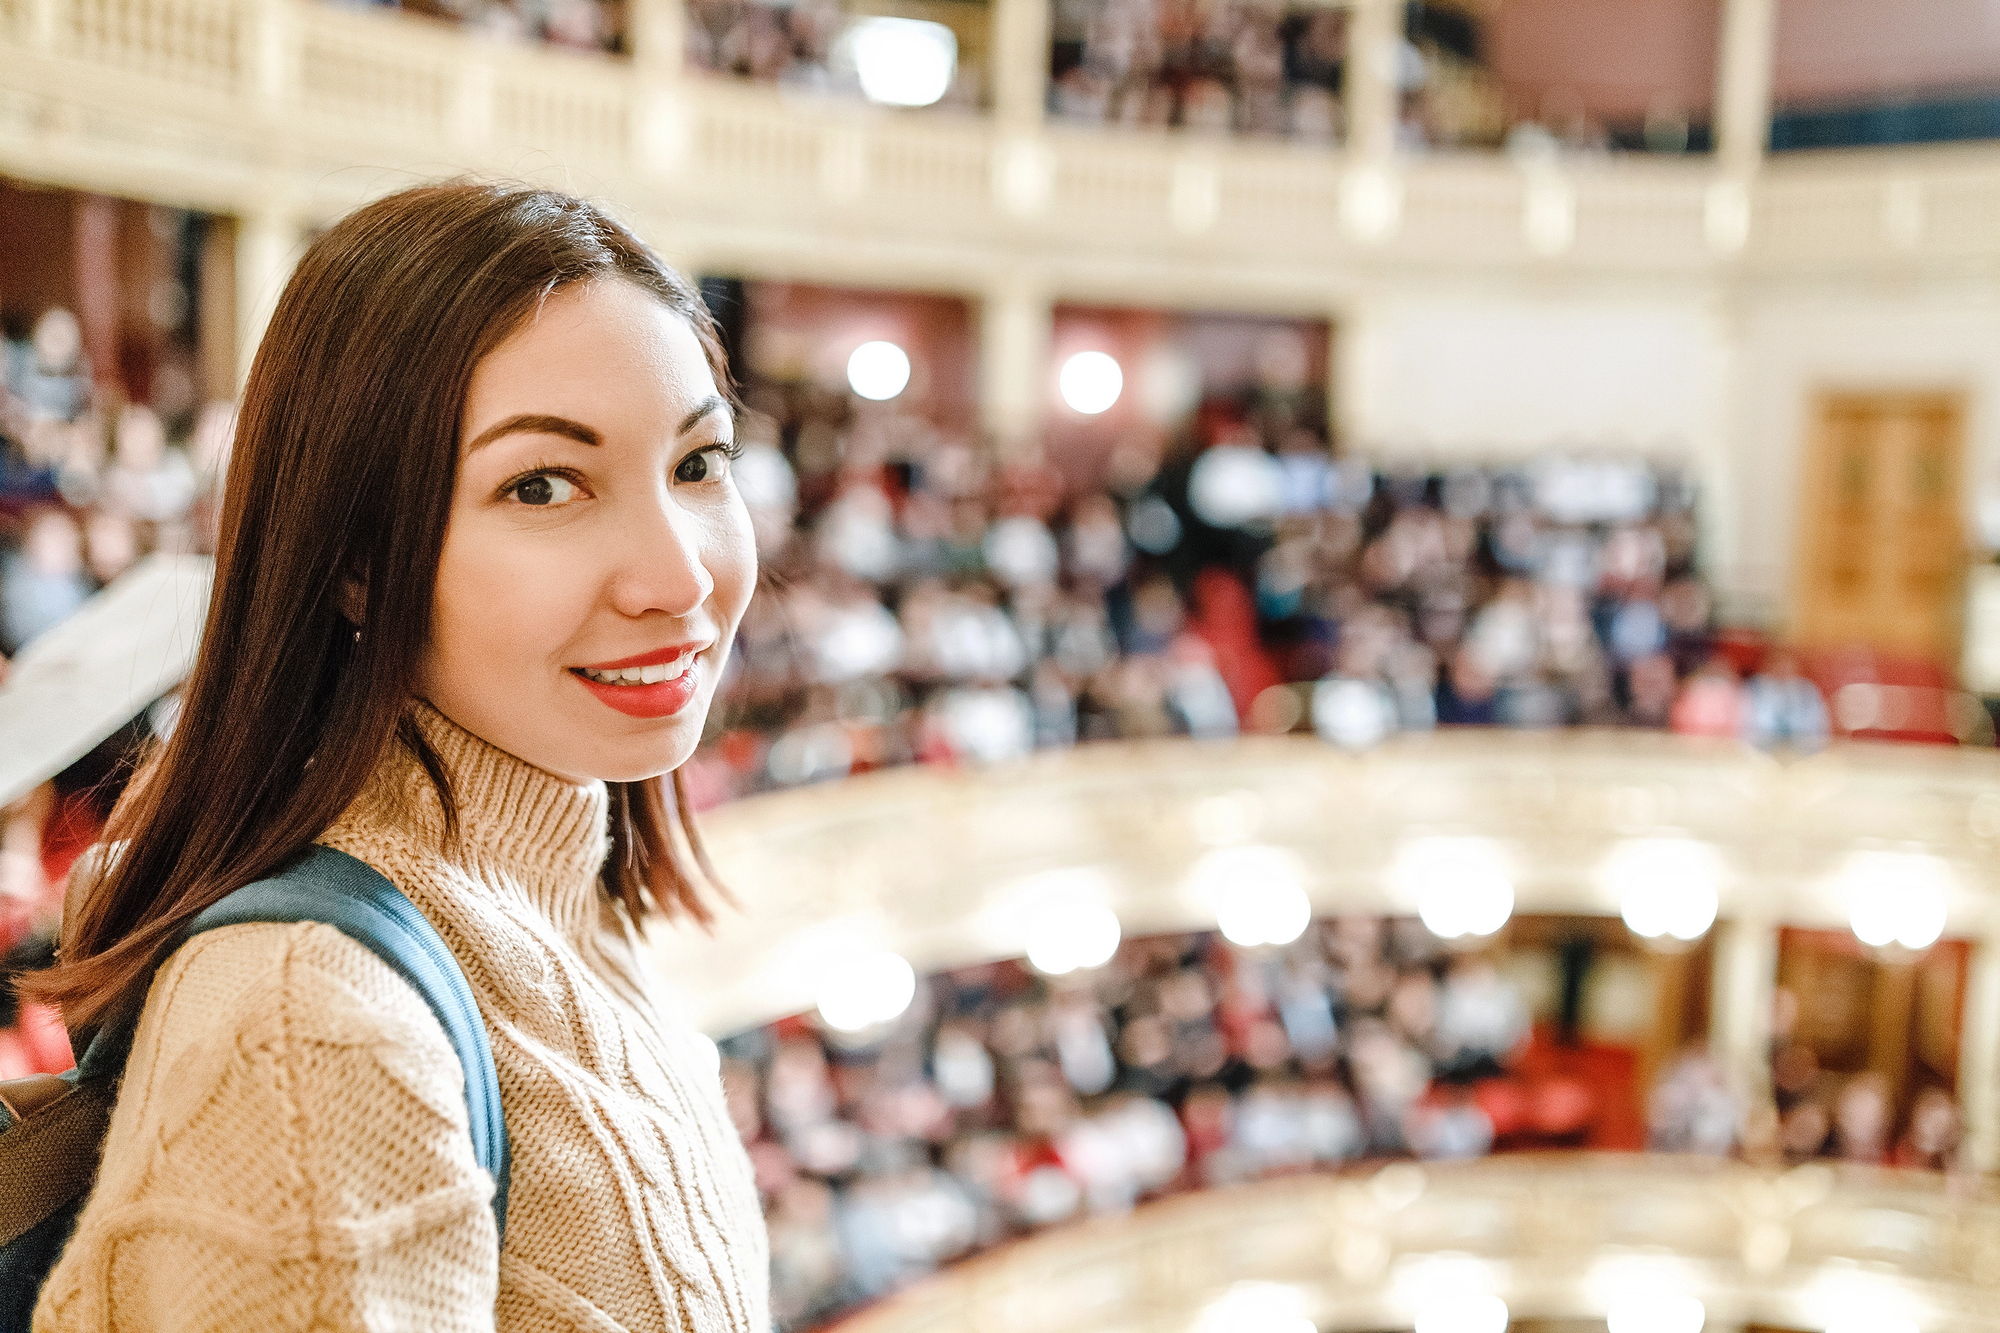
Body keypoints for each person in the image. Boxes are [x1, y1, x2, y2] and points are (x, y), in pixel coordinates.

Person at [23, 183, 769, 1331]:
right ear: (357, 562)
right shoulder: (315, 1026)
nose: (676, 578)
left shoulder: (561, 895)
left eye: (697, 464)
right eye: (541, 485)